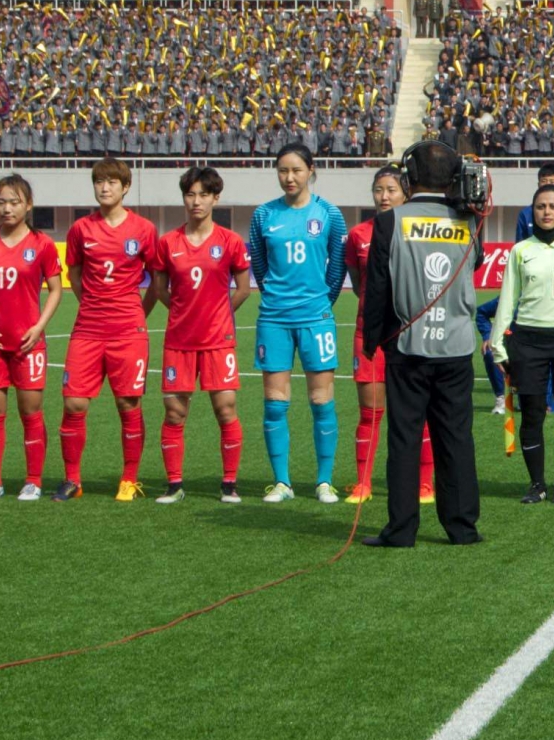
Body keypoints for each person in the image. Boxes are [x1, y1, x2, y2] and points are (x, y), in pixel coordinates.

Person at [352, 136, 484, 546]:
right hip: (457, 345)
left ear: (409, 177)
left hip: (408, 347)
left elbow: (377, 288)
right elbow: (476, 264)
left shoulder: (390, 221)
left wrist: (372, 340)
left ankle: (402, 528)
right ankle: (462, 527)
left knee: (405, 438)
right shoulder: (469, 220)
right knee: (456, 437)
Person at [247, 142, 348, 504]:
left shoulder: (330, 214)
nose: (289, 177)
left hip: (316, 319)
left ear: (310, 171)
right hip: (274, 319)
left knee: (322, 401)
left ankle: (324, 482)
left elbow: (337, 267)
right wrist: (277, 298)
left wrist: (320, 302)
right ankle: (282, 483)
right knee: (275, 403)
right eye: (283, 171)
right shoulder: (263, 214)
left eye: (296, 170)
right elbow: (259, 264)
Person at [58, 156, 158, 501]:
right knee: (74, 403)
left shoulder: (144, 229)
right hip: (87, 328)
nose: (104, 188)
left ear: (125, 187)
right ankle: (72, 480)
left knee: (128, 404)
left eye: (112, 182)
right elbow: (73, 274)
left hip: (128, 331)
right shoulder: (80, 229)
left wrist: (137, 313)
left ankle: (129, 479)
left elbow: (156, 280)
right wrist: (91, 303)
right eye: (99, 181)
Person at [488, 181, 554, 504]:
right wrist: (497, 343)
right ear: (532, 212)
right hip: (528, 341)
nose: (546, 212)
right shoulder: (521, 250)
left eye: (553, 206)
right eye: (540, 207)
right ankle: (537, 484)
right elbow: (508, 298)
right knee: (532, 414)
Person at [156, 164, 254, 505]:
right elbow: (160, 289)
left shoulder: (230, 241)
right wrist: (184, 313)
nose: (196, 201)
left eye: (204, 195)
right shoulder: (168, 242)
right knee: (174, 413)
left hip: (218, 342)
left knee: (225, 410)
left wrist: (218, 314)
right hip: (179, 341)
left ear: (216, 198)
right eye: (190, 194)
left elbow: (243, 289)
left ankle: (229, 485)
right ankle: (174, 485)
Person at [0, 173, 62, 502]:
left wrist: (39, 326)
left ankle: (33, 480)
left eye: (14, 202)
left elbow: (56, 289)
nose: (7, 208)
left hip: (28, 344)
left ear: (28, 205)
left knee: (31, 413)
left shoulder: (42, 244)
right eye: (1, 202)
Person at [344, 168, 437, 506]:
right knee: (370, 412)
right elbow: (359, 284)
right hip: (369, 335)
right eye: (378, 189)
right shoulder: (358, 235)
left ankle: (424, 484)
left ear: (406, 193)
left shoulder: (421, 230)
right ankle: (363, 484)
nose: (384, 196)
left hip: (412, 333)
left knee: (418, 413)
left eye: (391, 190)